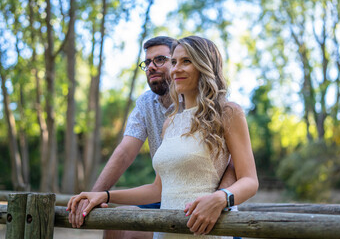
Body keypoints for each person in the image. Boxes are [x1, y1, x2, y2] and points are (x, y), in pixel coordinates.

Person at [68, 36, 258, 238]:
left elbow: (250, 180)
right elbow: (157, 189)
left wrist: (221, 198)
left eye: (187, 61)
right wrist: (104, 195)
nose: (176, 69)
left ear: (204, 65)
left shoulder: (229, 112)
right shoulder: (170, 123)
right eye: (174, 62)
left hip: (206, 228)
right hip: (167, 231)